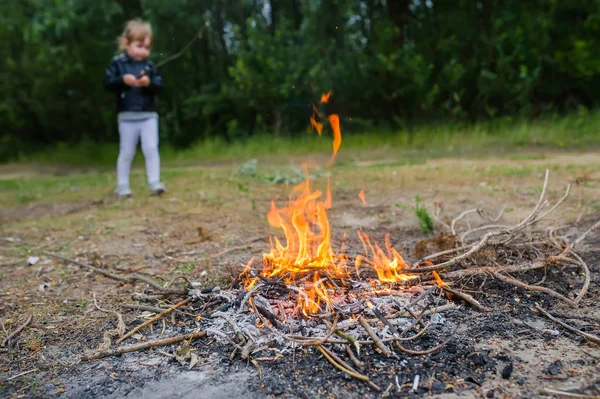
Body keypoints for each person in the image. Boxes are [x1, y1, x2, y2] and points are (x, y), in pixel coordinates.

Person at [104, 19, 165, 198]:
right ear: (126, 43)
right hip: (126, 116)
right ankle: (122, 186)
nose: (143, 51)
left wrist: (149, 83)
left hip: (148, 115)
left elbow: (160, 87)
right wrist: (122, 80)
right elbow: (107, 84)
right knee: (127, 151)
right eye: (139, 46)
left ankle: (154, 182)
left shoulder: (150, 66)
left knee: (151, 148)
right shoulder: (117, 64)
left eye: (147, 48)